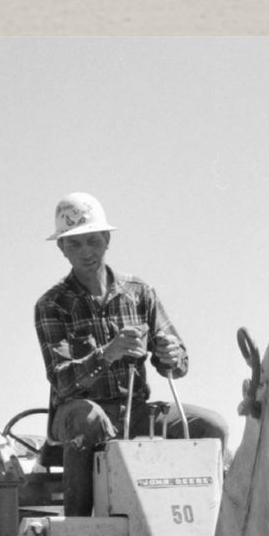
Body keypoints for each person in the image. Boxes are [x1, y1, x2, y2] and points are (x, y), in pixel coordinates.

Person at [34, 192, 228, 516]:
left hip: (135, 412)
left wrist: (170, 354)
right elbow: (62, 381)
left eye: (93, 241)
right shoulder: (52, 305)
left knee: (213, 427)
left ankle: (212, 528)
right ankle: (80, 534)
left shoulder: (140, 293)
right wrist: (106, 354)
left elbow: (179, 366)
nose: (86, 252)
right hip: (75, 415)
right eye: (75, 244)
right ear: (61, 249)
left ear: (106, 240)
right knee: (89, 417)